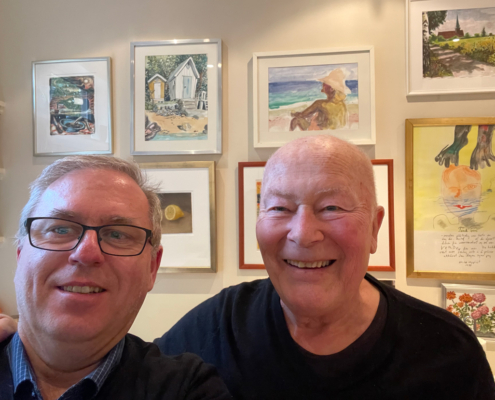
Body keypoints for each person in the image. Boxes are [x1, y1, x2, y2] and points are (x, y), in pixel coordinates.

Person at [155, 135, 495, 399]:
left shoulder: (448, 352)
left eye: (332, 207)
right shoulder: (217, 327)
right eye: (279, 209)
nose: (303, 234)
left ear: (374, 228)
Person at [0, 156, 231, 400]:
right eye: (61, 229)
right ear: (20, 254)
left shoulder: (188, 388)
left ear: (152, 268)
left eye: (118, 235)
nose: (86, 254)